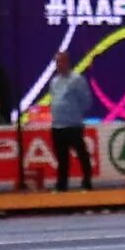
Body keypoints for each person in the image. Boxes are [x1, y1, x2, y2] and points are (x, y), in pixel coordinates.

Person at [49, 61, 96, 192]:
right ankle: (61, 185)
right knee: (61, 157)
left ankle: (87, 182)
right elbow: (54, 100)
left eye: (60, 62)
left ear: (67, 62)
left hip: (73, 124)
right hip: (57, 125)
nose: (58, 65)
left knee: (82, 154)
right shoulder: (54, 82)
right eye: (57, 63)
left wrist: (75, 113)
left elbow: (86, 100)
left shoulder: (77, 80)